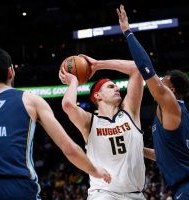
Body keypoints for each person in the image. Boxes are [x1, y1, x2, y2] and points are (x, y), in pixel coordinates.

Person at [0, 48, 111, 200]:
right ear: (11, 72)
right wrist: (94, 170)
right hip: (18, 189)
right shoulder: (31, 101)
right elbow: (69, 148)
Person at [117, 4, 189, 200]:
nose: (158, 81)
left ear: (172, 89)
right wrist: (136, 149)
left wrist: (128, 33)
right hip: (188, 188)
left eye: (163, 80)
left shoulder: (171, 104)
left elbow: (145, 69)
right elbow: (163, 157)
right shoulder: (170, 113)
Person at [59, 55, 146, 200]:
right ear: (97, 95)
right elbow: (68, 105)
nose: (117, 88)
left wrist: (98, 64)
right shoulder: (89, 121)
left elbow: (136, 68)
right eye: (111, 86)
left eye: (116, 85)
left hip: (136, 195)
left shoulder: (130, 112)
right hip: (104, 194)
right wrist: (74, 81)